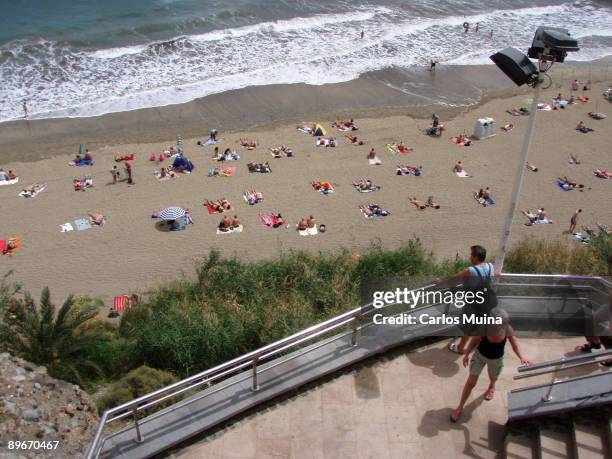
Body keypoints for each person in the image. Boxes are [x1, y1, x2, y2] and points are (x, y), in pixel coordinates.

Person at [450, 308, 530, 422]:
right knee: (471, 382)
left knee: (493, 377)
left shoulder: (507, 329)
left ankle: (491, 386)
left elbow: (514, 344)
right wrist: (467, 354)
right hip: (479, 357)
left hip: (496, 360)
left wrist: (521, 357)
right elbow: (474, 341)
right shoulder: (484, 327)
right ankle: (460, 407)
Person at [445, 245, 501, 354]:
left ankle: (461, 348)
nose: (470, 257)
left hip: (475, 305)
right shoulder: (490, 266)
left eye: (471, 255)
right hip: (489, 301)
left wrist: (440, 281)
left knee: (467, 327)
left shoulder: (470, 270)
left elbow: (454, 279)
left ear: (476, 257)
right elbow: (493, 274)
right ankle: (477, 345)